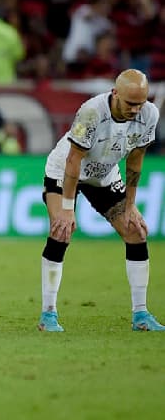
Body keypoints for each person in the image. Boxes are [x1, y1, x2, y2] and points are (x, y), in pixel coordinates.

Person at [38, 69, 164, 332]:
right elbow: (74, 160)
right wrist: (67, 209)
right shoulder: (92, 112)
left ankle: (140, 314)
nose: (135, 110)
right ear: (115, 93)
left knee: (136, 232)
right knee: (61, 231)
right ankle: (48, 315)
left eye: (140, 103)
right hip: (65, 171)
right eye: (130, 103)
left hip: (105, 175)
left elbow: (135, 161)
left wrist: (130, 206)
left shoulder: (149, 114)